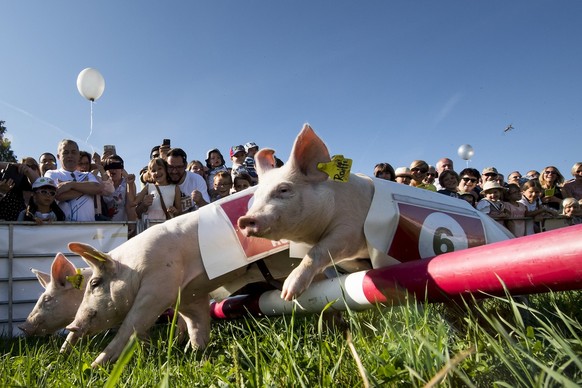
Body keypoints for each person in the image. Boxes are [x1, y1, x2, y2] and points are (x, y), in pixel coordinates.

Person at [45, 139, 102, 222]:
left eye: (73, 152)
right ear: (58, 156)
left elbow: (98, 188)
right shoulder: (51, 174)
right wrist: (87, 189)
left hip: (89, 229)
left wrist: (71, 185)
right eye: (66, 152)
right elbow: (58, 195)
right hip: (64, 230)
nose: (70, 155)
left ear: (78, 156)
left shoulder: (87, 174)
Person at [101, 155, 137, 227]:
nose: (112, 170)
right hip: (106, 227)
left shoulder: (127, 184)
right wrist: (100, 165)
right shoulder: (103, 183)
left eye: (116, 166)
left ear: (122, 169)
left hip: (124, 226)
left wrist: (131, 226)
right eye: (109, 166)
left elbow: (131, 204)